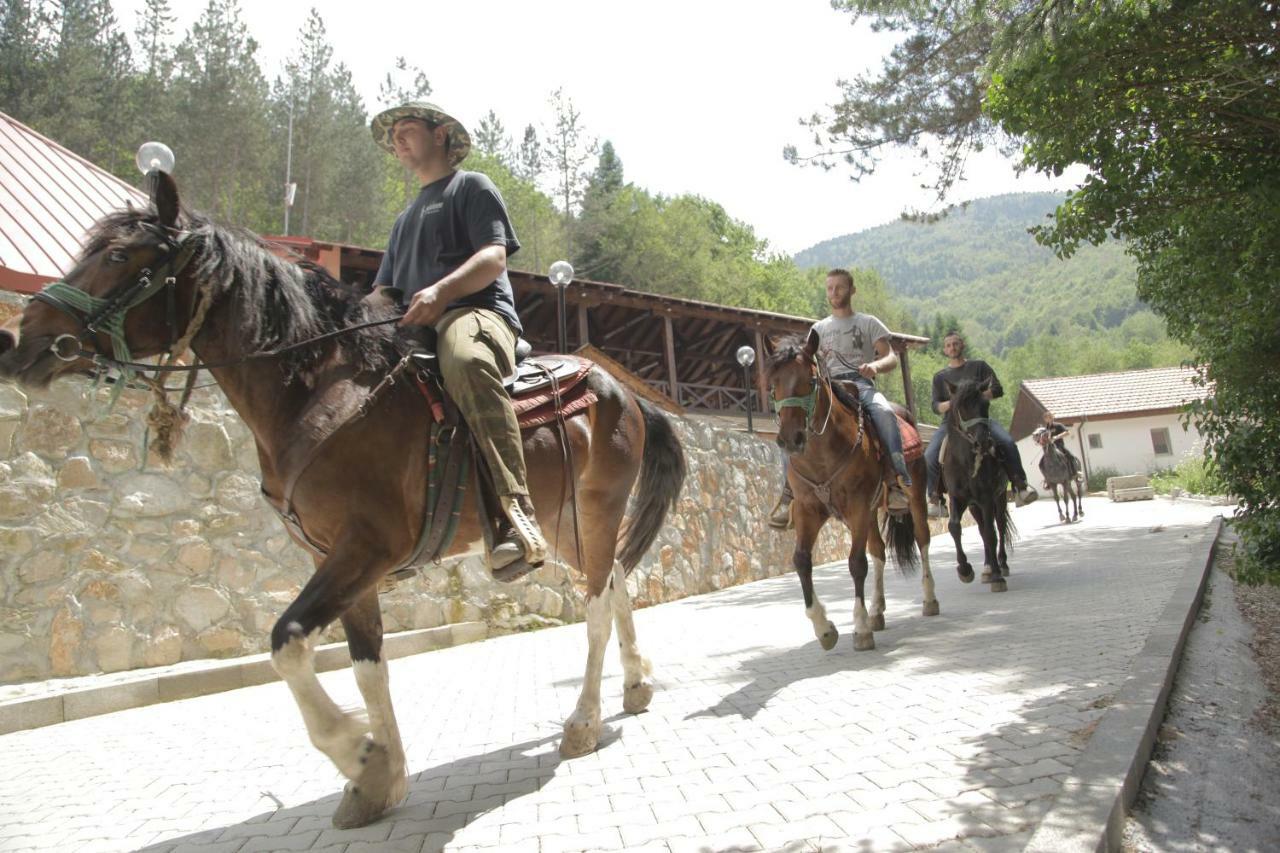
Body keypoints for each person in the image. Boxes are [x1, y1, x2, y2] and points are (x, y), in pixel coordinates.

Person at [369, 101, 546, 571]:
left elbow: (493, 258)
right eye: (394, 138)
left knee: (465, 361)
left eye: (407, 130)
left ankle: (515, 514)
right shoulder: (402, 221)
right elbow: (383, 292)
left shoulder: (472, 187)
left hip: (476, 314)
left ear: (442, 133)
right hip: (413, 330)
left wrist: (442, 291)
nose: (398, 141)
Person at [768, 269, 912, 528]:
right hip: (828, 388)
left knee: (885, 414)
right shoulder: (818, 329)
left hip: (861, 384)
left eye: (840, 288)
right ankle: (788, 493)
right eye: (830, 288)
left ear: (852, 290)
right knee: (788, 430)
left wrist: (875, 366)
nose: (834, 293)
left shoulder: (869, 322)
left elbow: (891, 356)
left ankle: (895, 482)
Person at [923, 331, 1038, 515]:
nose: (952, 347)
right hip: (951, 423)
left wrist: (976, 397)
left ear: (962, 345)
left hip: (980, 420)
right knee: (930, 455)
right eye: (949, 345)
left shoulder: (979, 367)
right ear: (945, 350)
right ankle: (934, 498)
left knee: (1007, 442)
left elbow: (998, 389)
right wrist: (956, 402)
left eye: (956, 343)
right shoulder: (940, 377)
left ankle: (1020, 486)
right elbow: (936, 406)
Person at [1039, 410, 1081, 481]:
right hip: (1049, 448)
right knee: (1041, 463)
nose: (1046, 419)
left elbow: (1067, 432)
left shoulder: (1058, 425)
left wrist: (1056, 437)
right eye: (1045, 417)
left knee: (1071, 457)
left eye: (1048, 417)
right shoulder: (1045, 429)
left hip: (1059, 446)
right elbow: (1042, 438)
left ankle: (1075, 473)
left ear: (1051, 417)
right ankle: (1047, 479)